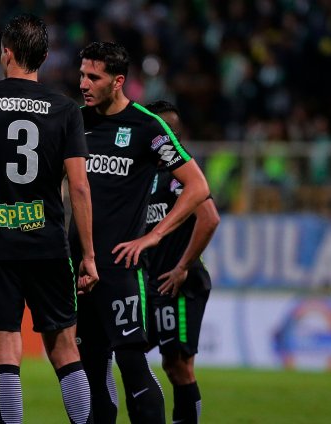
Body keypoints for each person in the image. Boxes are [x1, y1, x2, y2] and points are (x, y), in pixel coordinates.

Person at [0, 14, 98, 424]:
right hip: (48, 244)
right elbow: (80, 188)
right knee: (65, 349)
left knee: (5, 351)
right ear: (45, 57)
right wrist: (89, 254)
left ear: (5, 53)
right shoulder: (66, 109)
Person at [68, 41, 210, 424]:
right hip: (79, 268)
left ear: (117, 82)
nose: (83, 83)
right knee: (91, 369)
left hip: (121, 269)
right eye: (82, 74)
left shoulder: (148, 126)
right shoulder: (75, 121)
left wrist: (153, 236)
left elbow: (197, 188)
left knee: (132, 364)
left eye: (93, 77)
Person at [144, 100, 219, 424]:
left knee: (179, 365)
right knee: (161, 362)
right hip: (153, 283)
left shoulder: (182, 178)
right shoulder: (145, 175)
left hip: (180, 283)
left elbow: (209, 219)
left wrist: (182, 267)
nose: (166, 136)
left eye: (171, 130)